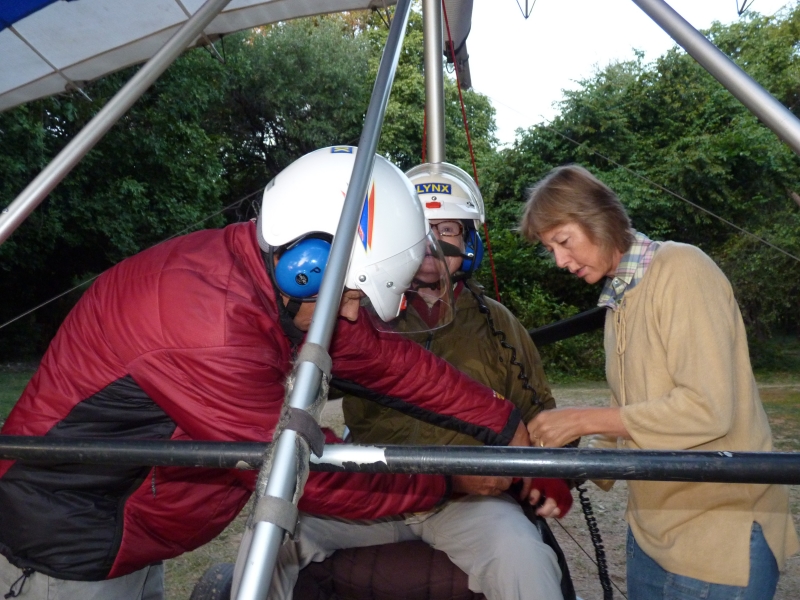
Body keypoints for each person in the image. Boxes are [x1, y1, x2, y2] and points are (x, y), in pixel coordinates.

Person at [0, 147, 533, 600]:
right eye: (351, 296)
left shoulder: (264, 281)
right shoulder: (209, 322)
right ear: (307, 266)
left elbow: (386, 361)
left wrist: (504, 424)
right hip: (64, 551)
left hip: (123, 539)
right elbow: (297, 467)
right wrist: (449, 481)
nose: (353, 315)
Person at [274, 162, 574, 600]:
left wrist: (553, 468)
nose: (434, 242)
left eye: (448, 229)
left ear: (469, 242)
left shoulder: (500, 325)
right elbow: (294, 388)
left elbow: (540, 415)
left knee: (524, 557)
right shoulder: (357, 312)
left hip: (470, 500)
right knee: (271, 533)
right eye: (423, 229)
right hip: (375, 490)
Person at [519, 164, 799, 600]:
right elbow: (627, 415)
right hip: (651, 535)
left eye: (563, 241)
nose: (560, 260)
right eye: (550, 248)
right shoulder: (620, 298)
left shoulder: (681, 268)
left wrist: (580, 419)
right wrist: (568, 475)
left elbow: (707, 409)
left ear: (598, 219)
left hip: (718, 538)